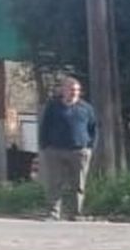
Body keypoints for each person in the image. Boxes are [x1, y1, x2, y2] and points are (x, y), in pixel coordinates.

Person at [37, 76, 98, 221]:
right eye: (71, 89)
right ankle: (53, 213)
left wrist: (89, 147)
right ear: (63, 90)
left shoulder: (86, 108)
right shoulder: (53, 107)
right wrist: (45, 147)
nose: (74, 92)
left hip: (79, 152)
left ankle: (76, 213)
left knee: (78, 184)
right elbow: (44, 127)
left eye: (77, 90)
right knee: (54, 184)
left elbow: (93, 129)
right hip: (55, 151)